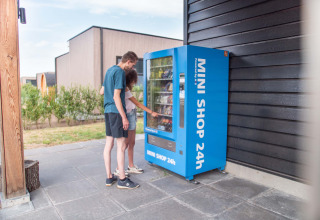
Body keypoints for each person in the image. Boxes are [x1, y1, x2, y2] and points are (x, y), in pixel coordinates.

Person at [100, 51, 139, 189]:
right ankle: (122, 179)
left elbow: (102, 91)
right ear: (128, 61)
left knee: (108, 144)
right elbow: (117, 96)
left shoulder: (109, 70)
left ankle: (109, 177)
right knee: (121, 146)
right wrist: (124, 117)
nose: (132, 68)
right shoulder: (120, 72)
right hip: (117, 112)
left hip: (108, 111)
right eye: (133, 65)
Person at [113, 69, 158, 176]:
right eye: (134, 79)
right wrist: (151, 112)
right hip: (128, 116)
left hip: (131, 115)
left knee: (131, 143)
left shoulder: (125, 88)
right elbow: (138, 104)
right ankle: (118, 169)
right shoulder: (125, 89)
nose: (135, 81)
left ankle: (131, 166)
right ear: (131, 79)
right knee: (125, 144)